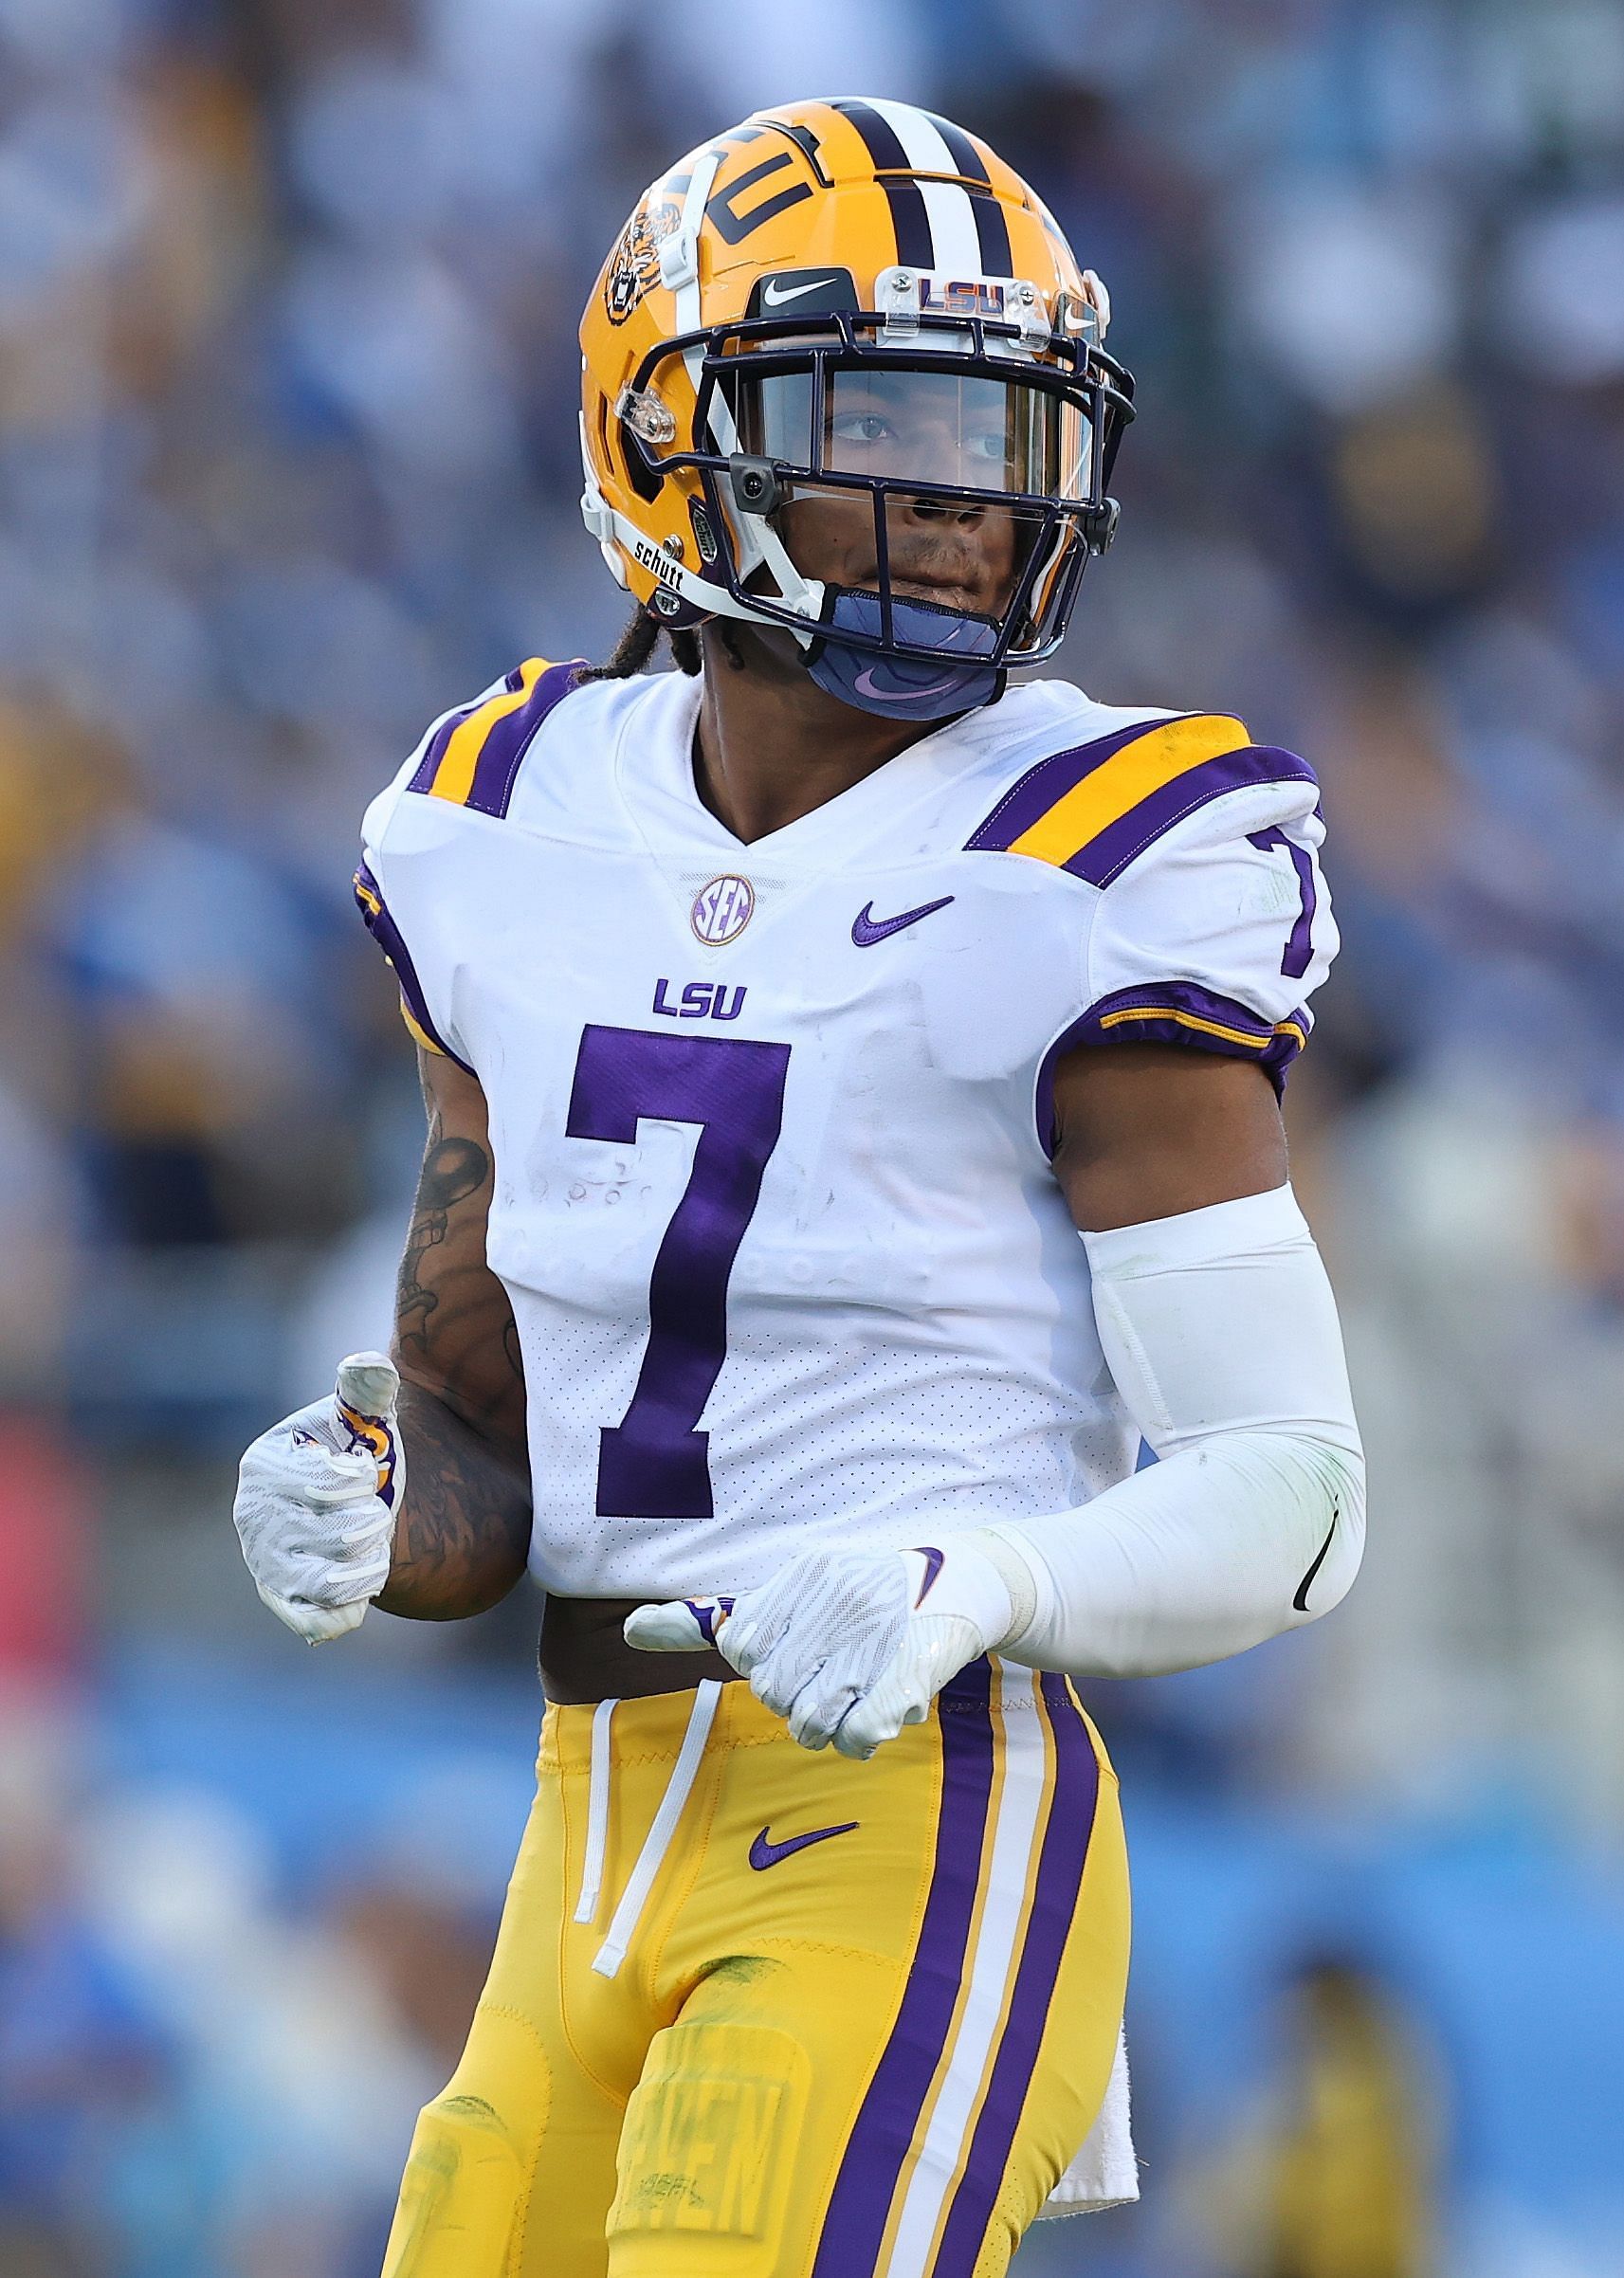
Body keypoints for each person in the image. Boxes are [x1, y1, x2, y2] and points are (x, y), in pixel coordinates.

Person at [232, 98, 1364, 2278]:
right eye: (886, 415)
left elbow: (1296, 1492)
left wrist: (986, 1575)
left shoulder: (1099, 851)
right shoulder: (501, 813)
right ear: (667, 437)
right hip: (581, 1825)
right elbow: (490, 1437)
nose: (963, 502)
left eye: (1002, 428)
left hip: (912, 1810)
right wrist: (381, 1486)